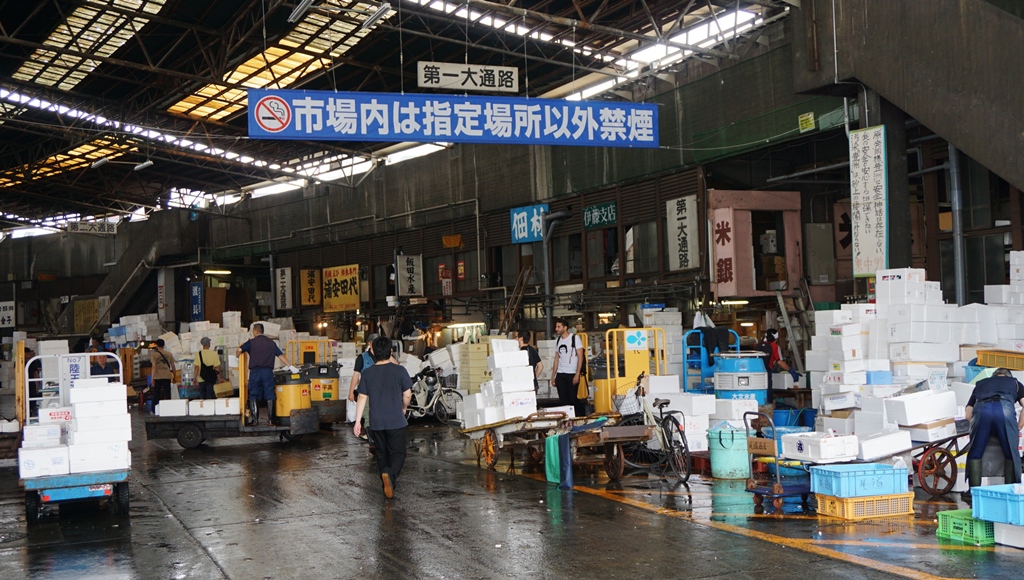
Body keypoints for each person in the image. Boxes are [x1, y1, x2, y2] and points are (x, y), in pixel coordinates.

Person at [353, 336, 412, 499]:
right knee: (398, 453)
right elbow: (407, 394)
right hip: (396, 421)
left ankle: (387, 479)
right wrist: (404, 407)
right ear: (390, 351)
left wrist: (358, 421)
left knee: (382, 454)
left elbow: (362, 398)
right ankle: (389, 474)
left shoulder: (368, 373)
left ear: (373, 351)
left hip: (376, 423)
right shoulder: (400, 370)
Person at [963, 368, 1024, 500]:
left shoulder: (981, 383)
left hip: (981, 411)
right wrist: (1019, 425)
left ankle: (974, 492)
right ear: (1008, 376)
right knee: (1010, 452)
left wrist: (978, 426)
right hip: (1004, 411)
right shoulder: (1015, 383)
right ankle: (1010, 490)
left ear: (994, 376)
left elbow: (968, 414)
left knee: (975, 452)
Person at [237, 323, 293, 425]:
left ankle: (255, 421)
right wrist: (290, 366)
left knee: (253, 394)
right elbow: (280, 355)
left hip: (255, 372)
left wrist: (237, 355)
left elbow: (239, 350)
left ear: (255, 331)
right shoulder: (271, 343)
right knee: (270, 394)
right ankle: (271, 420)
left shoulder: (251, 342)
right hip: (267, 372)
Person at [550, 318, 586, 417]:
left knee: (572, 398)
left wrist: (577, 374)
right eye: (556, 327)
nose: (556, 329)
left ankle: (581, 414)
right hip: (561, 373)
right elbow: (556, 358)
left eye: (559, 327)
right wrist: (553, 376)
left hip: (572, 373)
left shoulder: (574, 338)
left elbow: (580, 357)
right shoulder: (558, 340)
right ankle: (568, 418)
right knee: (563, 399)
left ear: (565, 328)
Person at [150, 338, 176, 406]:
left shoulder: (154, 355)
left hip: (158, 376)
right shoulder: (169, 354)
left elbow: (154, 366)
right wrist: (175, 376)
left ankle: (154, 409)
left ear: (156, 345)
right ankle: (168, 408)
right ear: (164, 345)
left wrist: (152, 378)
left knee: (156, 394)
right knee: (167, 393)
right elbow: (173, 366)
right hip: (167, 376)